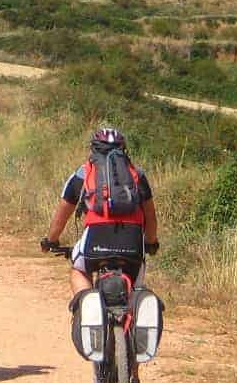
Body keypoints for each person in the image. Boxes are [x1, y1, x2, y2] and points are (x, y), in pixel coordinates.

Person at [40, 127, 159, 299]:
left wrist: (51, 241)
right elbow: (150, 215)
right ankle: (134, 315)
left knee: (79, 270)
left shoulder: (82, 174)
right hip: (132, 240)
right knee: (136, 287)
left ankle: (87, 307)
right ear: (123, 149)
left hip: (96, 237)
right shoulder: (137, 175)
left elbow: (62, 213)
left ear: (93, 148)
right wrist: (151, 242)